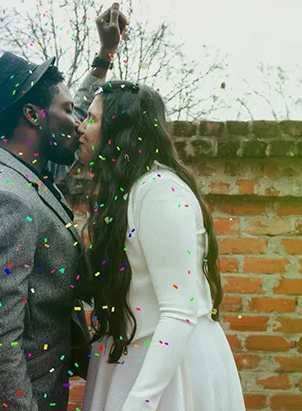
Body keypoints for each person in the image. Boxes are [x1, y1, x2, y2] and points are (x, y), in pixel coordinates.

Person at [0, 3, 128, 411]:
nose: (79, 123)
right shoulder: (5, 197)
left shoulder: (24, 169)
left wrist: (103, 58)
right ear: (32, 115)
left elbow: (73, 110)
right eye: (68, 112)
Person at [76, 81, 246, 411]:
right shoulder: (125, 194)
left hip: (167, 373)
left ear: (118, 129)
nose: (82, 127)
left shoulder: (160, 193)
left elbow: (179, 311)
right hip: (133, 359)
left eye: (92, 119)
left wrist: (139, 403)